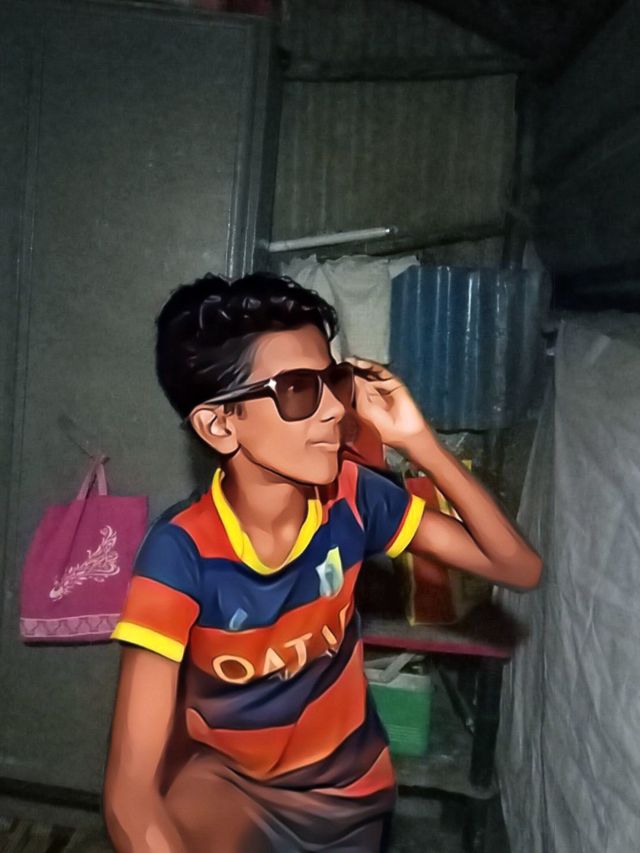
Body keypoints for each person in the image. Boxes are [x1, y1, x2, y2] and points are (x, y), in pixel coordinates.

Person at [103, 272, 542, 852]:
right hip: (234, 798)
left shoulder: (353, 497)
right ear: (219, 424)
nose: (336, 409)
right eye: (297, 390)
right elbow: (130, 796)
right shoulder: (181, 554)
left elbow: (517, 568)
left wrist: (421, 444)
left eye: (334, 381)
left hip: (351, 794)